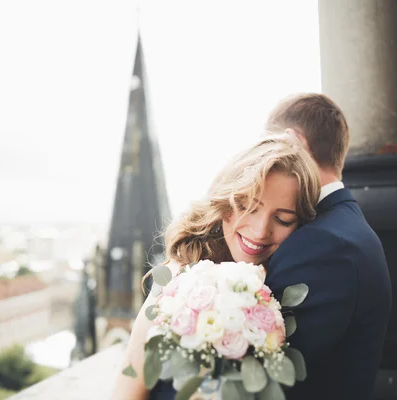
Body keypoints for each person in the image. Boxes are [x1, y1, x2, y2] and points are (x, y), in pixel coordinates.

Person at [112, 134, 322, 400]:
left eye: (282, 219)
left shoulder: (285, 287)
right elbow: (127, 387)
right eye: (247, 207)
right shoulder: (183, 276)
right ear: (225, 201)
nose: (260, 232)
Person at [265, 93, 392, 399]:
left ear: (293, 141)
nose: (263, 164)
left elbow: (269, 370)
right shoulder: (342, 227)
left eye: (268, 148)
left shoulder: (322, 245)